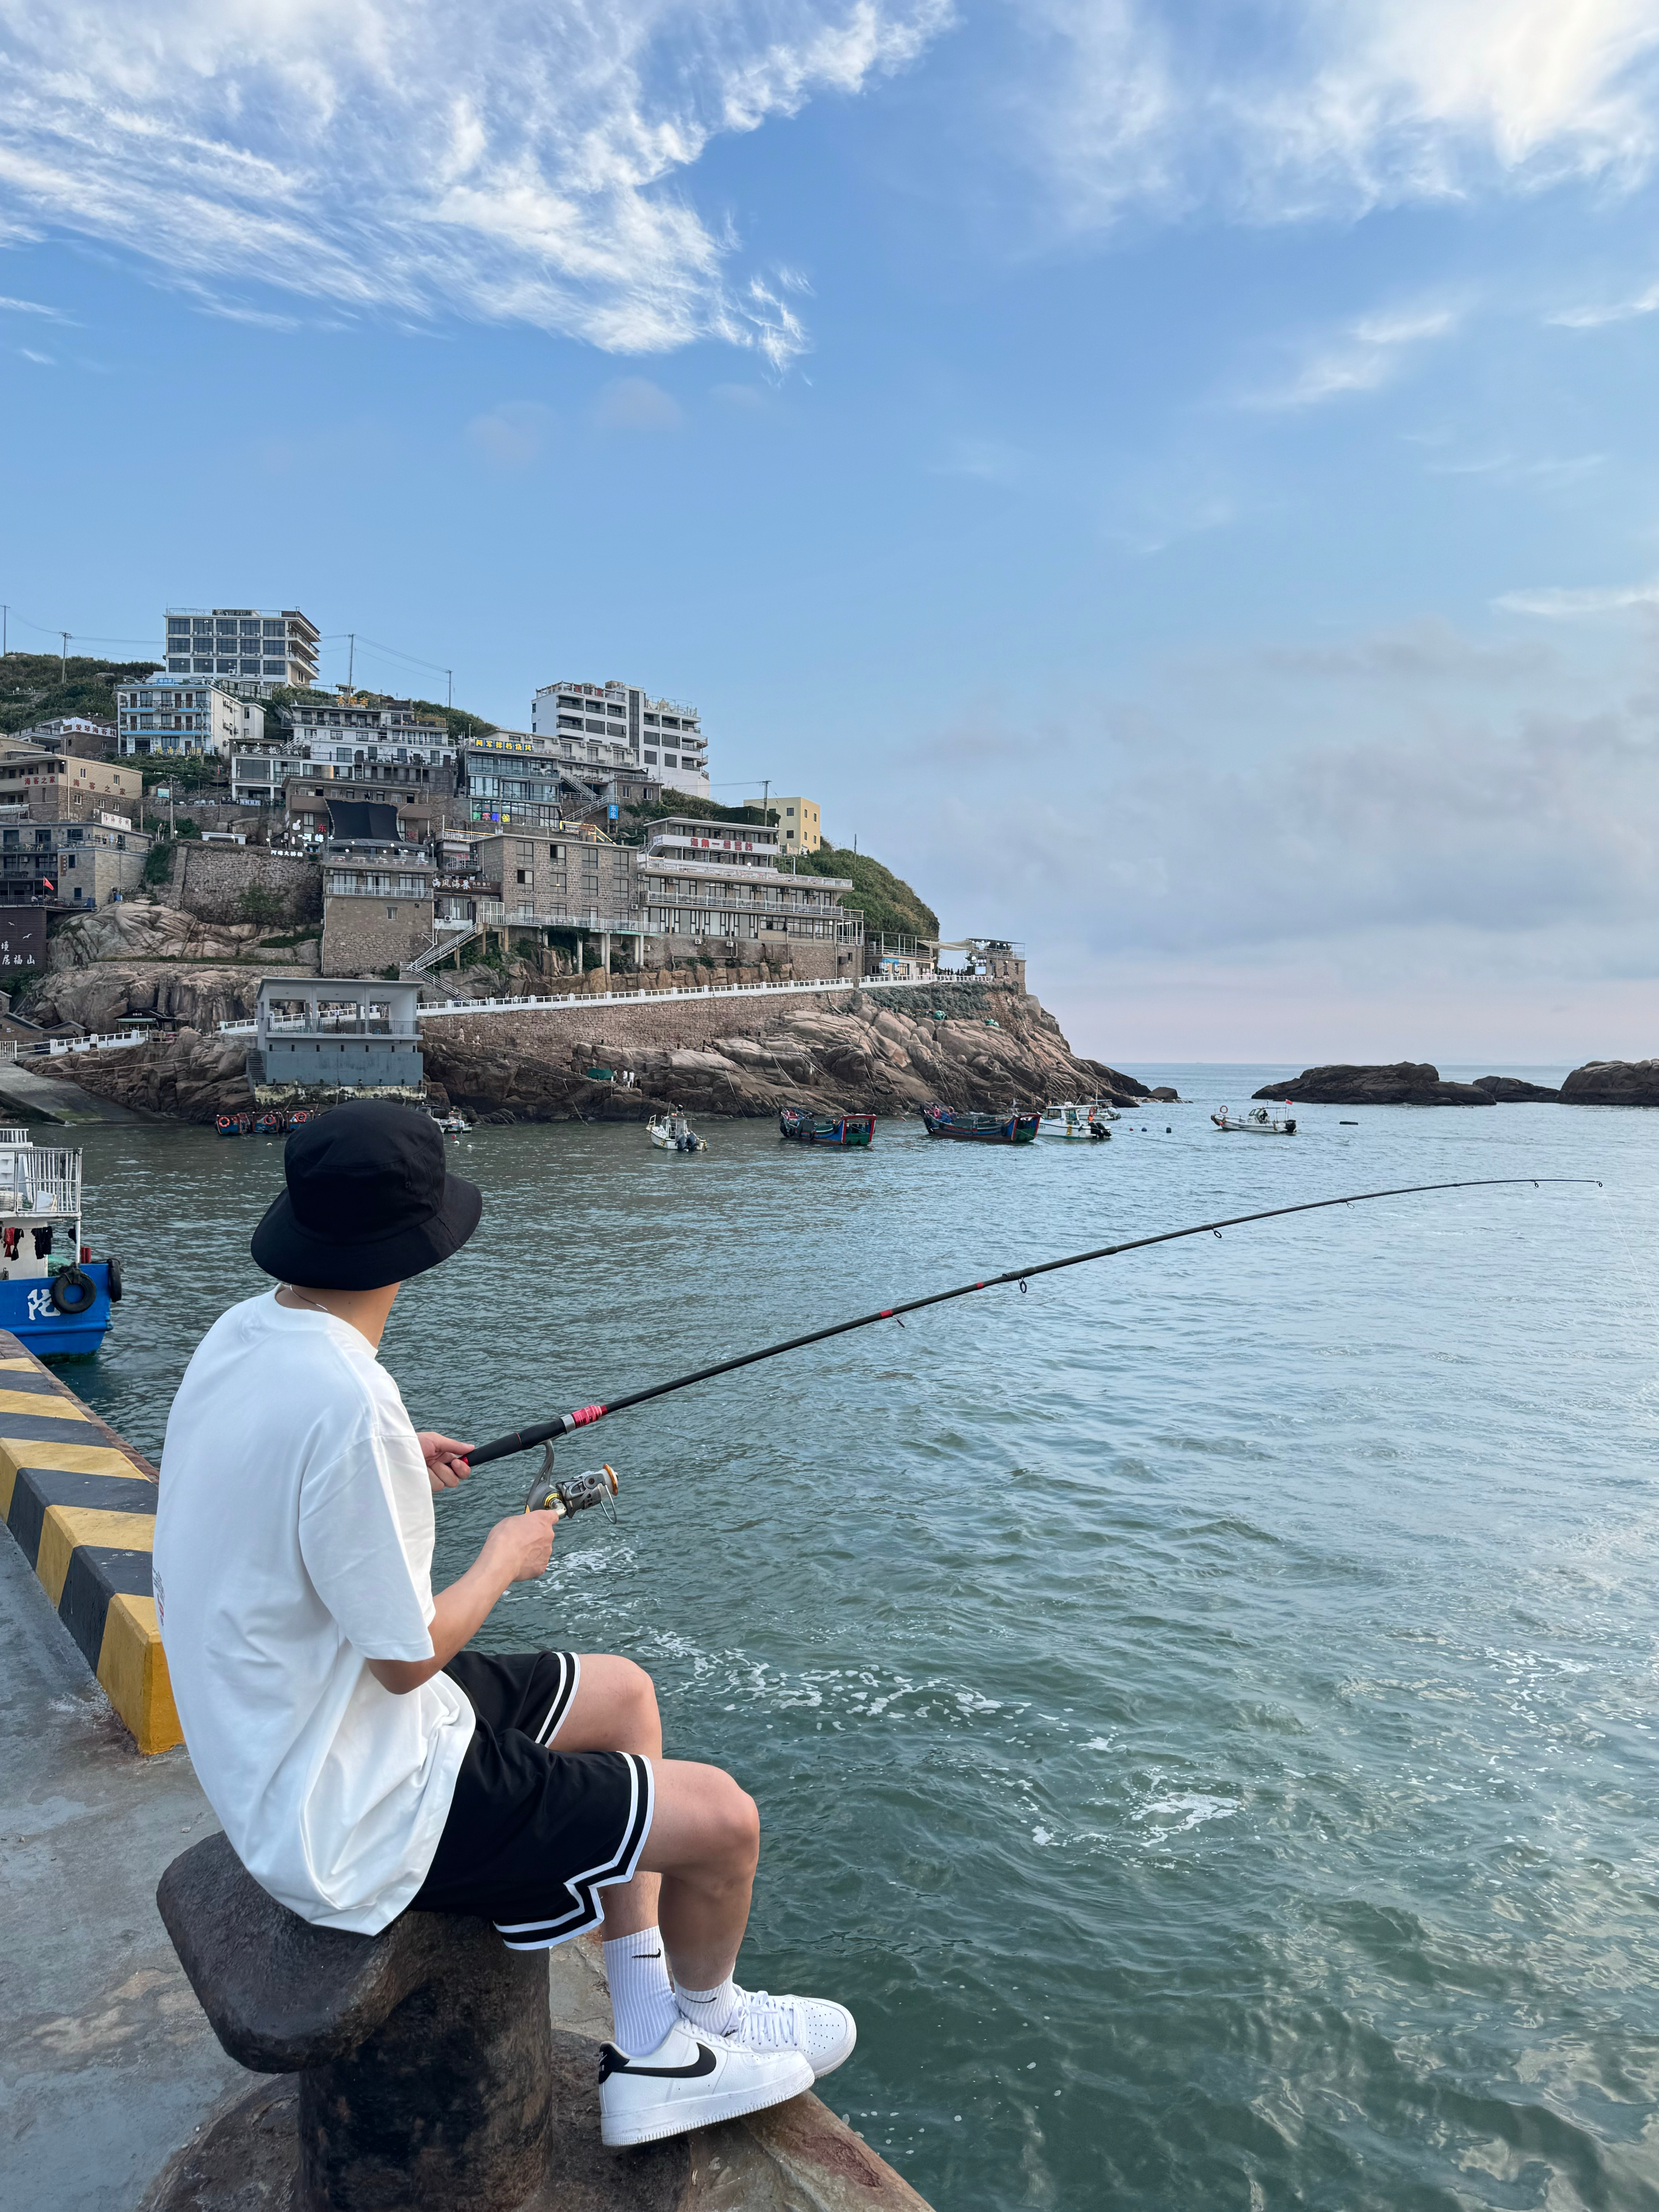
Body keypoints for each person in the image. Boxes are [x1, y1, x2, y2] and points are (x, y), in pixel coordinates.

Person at [152, 1100, 853, 2149]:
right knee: (726, 1822)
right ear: (419, 1245)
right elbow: (404, 1661)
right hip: (343, 1808)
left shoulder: (250, 1335)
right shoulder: (349, 1407)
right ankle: (693, 2039)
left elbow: (289, 1498)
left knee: (622, 1694)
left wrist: (400, 1469)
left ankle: (656, 2020)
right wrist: (504, 1558)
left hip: (290, 1727)